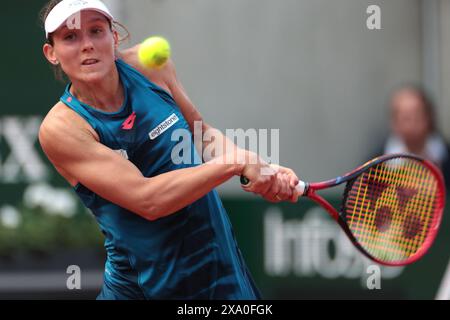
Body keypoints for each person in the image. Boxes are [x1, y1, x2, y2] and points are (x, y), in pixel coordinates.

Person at [39, 0, 300, 299]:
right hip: (144, 288)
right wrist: (235, 163)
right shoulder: (62, 128)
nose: (87, 45)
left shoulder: (150, 67)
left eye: (96, 31)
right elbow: (148, 199)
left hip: (219, 267)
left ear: (114, 37)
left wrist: (259, 167)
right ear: (52, 53)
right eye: (70, 37)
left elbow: (201, 135)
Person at [384, 85, 450, 187]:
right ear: (394, 123)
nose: (412, 123)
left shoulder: (445, 155)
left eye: (418, 115)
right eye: (406, 118)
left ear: (429, 117)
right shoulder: (375, 166)